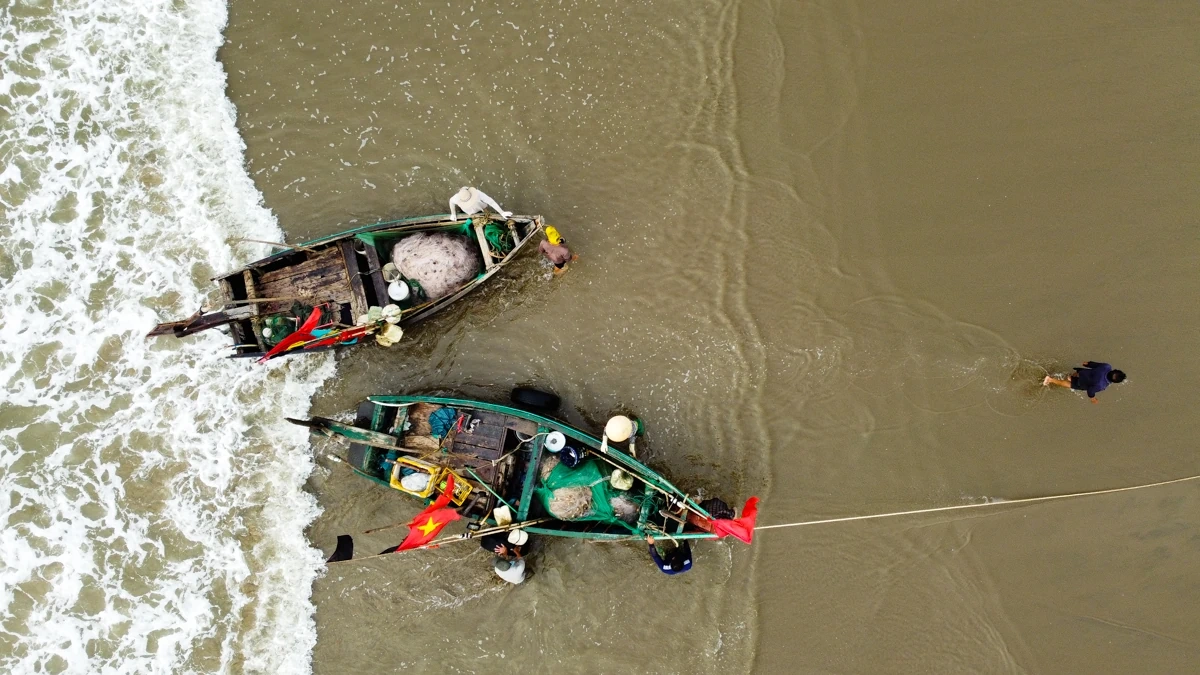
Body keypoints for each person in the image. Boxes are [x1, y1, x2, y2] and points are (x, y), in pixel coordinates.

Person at [1043, 361, 1126, 404]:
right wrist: (1093, 398)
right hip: (1081, 382)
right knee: (1069, 385)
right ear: (1113, 381)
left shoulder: (1106, 366)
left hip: (1082, 372)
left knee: (1075, 375)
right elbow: (1090, 391)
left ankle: (1070, 377)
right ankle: (1050, 380)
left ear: (1114, 370)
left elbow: (1093, 364)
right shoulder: (1101, 385)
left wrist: (1086, 364)